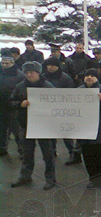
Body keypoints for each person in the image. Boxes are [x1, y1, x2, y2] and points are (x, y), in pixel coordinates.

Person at [10, 61, 57, 190]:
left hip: (43, 126)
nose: (29, 75)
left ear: (38, 72)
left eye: (31, 72)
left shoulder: (47, 86)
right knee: (27, 153)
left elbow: (57, 103)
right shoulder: (20, 86)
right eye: (27, 73)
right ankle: (25, 176)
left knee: (48, 154)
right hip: (26, 125)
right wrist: (20, 104)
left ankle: (50, 178)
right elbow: (11, 101)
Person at [42, 56, 80, 165]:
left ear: (58, 66)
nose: (50, 67)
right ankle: (52, 152)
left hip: (62, 109)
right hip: (48, 109)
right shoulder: (43, 77)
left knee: (65, 133)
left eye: (53, 65)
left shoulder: (65, 78)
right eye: (48, 65)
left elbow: (70, 93)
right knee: (51, 132)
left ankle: (72, 152)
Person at [0, 54, 24, 157]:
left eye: (7, 63)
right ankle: (2, 148)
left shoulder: (19, 75)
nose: (4, 65)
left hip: (13, 106)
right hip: (1, 106)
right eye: (3, 63)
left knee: (17, 130)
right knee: (2, 129)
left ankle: (22, 150)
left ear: (12, 63)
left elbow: (22, 90)